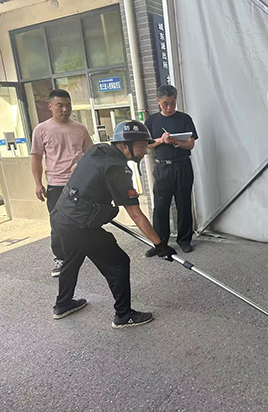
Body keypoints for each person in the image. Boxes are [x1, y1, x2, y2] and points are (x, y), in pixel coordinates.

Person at [50, 120, 177, 328]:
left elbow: (76, 169)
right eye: (142, 146)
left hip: (61, 215)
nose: (145, 150)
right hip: (79, 224)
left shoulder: (98, 149)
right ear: (125, 146)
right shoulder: (117, 170)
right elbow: (136, 215)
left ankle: (63, 305)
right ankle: (123, 315)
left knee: (72, 259)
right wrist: (159, 244)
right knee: (118, 262)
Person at [31, 89, 94, 277]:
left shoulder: (80, 128)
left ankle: (84, 253)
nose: (65, 109)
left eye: (68, 105)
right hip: (56, 185)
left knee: (84, 221)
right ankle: (60, 258)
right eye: (60, 105)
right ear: (50, 106)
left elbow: (91, 154)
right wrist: (37, 183)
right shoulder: (41, 129)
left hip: (80, 184)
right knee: (57, 223)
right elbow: (36, 158)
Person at [144, 85, 198, 256]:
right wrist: (161, 140)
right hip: (162, 167)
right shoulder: (152, 121)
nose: (169, 107)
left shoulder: (184, 118)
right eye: (165, 104)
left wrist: (176, 142)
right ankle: (160, 243)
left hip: (182, 165)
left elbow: (191, 144)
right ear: (158, 102)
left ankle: (185, 241)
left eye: (173, 103)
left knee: (184, 204)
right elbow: (146, 145)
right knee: (160, 206)